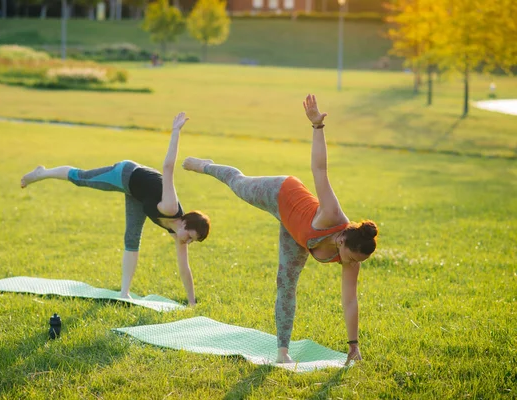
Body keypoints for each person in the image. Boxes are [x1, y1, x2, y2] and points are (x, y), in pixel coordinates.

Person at [182, 94, 378, 365]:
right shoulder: (332, 214)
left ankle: (282, 351)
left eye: (357, 262)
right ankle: (206, 165)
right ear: (343, 238)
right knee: (238, 183)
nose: (352, 264)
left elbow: (350, 303)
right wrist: (317, 126)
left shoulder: (350, 259)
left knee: (286, 284)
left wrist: (353, 345)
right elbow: (320, 170)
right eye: (353, 258)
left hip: (296, 234)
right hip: (281, 192)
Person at [21, 112, 210, 306]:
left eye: (192, 241)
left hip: (139, 196)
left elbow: (184, 268)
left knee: (132, 238)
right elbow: (168, 167)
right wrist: (176, 131)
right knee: (81, 178)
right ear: (185, 221)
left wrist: (192, 302)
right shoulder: (170, 207)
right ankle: (42, 173)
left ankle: (124, 293)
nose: (187, 241)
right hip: (127, 174)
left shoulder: (178, 232)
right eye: (189, 235)